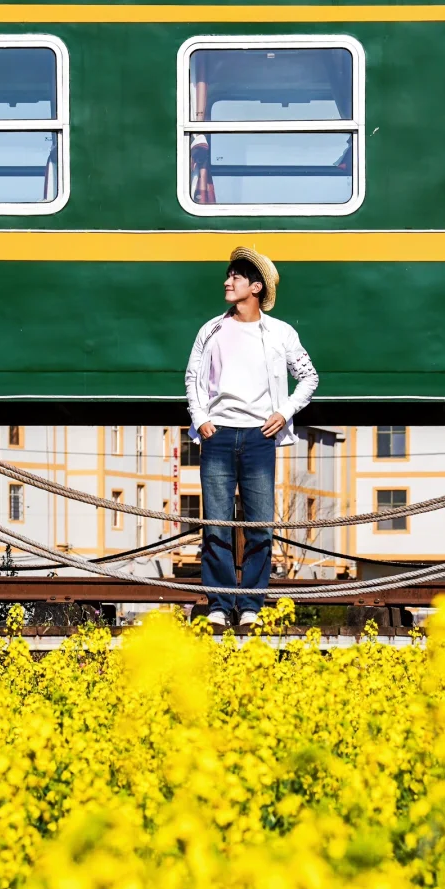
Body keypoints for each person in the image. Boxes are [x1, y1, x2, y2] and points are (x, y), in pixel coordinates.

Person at [184, 246, 319, 628]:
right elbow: (193, 378)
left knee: (260, 526)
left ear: (256, 287)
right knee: (216, 525)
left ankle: (251, 608)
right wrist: (202, 419)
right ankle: (219, 605)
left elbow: (309, 377)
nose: (227, 282)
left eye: (236, 277)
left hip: (261, 437)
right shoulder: (211, 329)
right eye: (228, 276)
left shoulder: (280, 333)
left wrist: (284, 412)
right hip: (218, 436)